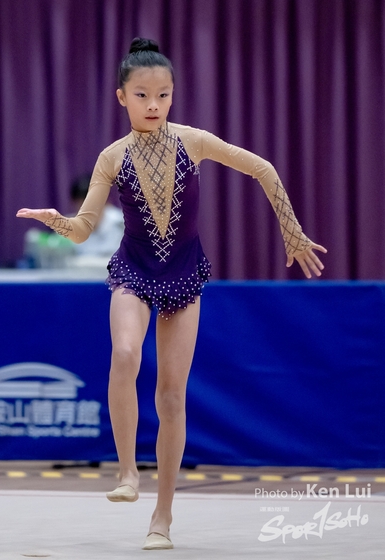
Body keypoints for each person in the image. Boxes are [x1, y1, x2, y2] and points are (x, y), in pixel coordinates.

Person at [16, 37, 327, 550]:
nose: (154, 104)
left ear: (173, 95)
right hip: (134, 269)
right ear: (122, 97)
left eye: (163, 94)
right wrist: (58, 221)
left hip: (183, 273)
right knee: (124, 352)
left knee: (171, 395)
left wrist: (291, 231)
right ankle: (126, 472)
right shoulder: (112, 157)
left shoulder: (193, 141)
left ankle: (162, 517)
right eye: (142, 95)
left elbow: (263, 169)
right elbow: (85, 229)